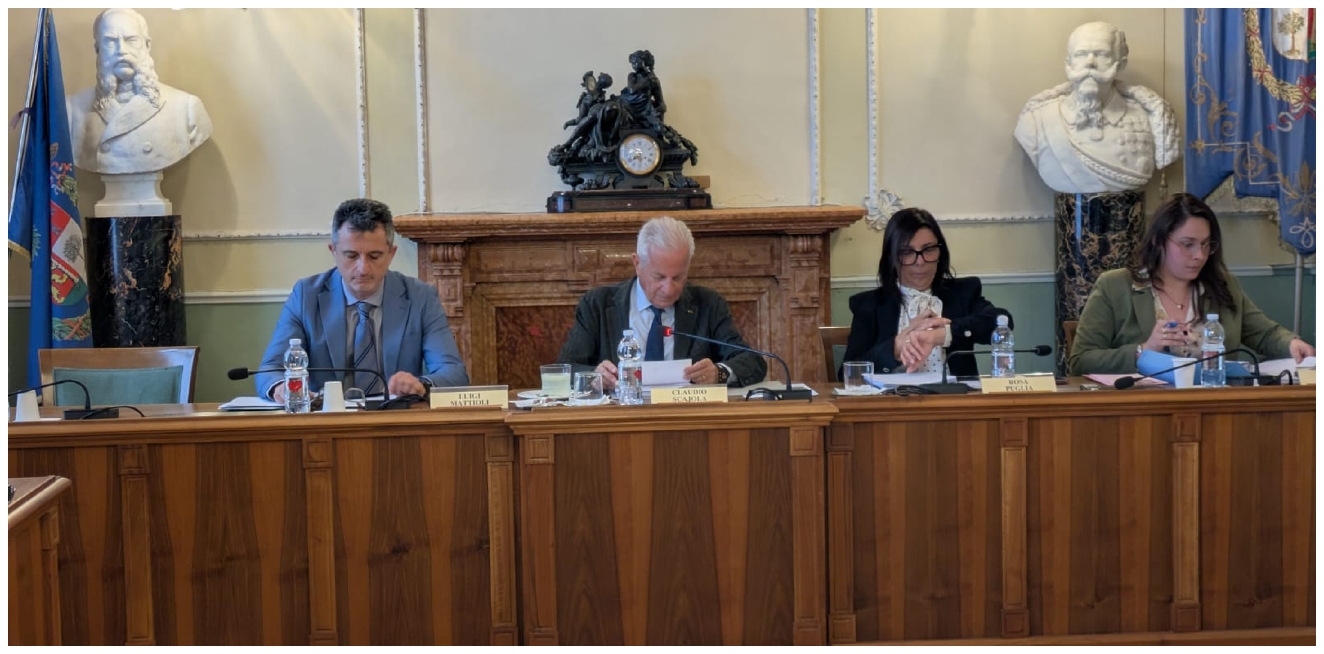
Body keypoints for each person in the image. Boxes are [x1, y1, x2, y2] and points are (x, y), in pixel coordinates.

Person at [1068, 193, 1315, 374]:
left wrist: (1292, 344)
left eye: (1206, 244)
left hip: (1216, 408)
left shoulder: (1221, 285)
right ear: (1158, 241)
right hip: (1140, 413)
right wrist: (1144, 350)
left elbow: (1265, 334)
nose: (1200, 255)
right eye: (1188, 245)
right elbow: (1081, 360)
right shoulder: (1115, 286)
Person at [256, 199, 468, 401]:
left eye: (374, 256)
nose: (363, 269)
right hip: (326, 418)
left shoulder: (421, 297)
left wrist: (422, 385)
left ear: (391, 254)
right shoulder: (306, 295)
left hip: (395, 416)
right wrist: (281, 388)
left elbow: (453, 372)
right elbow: (270, 370)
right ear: (333, 251)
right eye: (351, 256)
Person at [558, 216, 767, 391]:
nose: (669, 289)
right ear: (637, 263)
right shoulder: (598, 305)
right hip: (620, 416)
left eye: (678, 277)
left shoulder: (708, 304)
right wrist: (595, 376)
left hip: (686, 417)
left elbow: (752, 362)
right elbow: (565, 369)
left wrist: (719, 373)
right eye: (659, 277)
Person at [1014, 21, 1179, 194]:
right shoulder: (1038, 120)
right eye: (1081, 54)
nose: (1090, 62)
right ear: (1069, 63)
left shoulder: (1148, 117)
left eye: (1102, 54)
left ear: (1120, 64)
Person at [843, 208, 1011, 376]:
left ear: (940, 252)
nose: (920, 262)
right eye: (907, 252)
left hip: (955, 393)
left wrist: (942, 335)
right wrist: (895, 348)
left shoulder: (962, 292)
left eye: (929, 249)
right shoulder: (869, 305)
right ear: (892, 258)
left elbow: (1002, 321)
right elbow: (848, 374)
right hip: (893, 393)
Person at [66, 8, 213, 175]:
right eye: (110, 41)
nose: (121, 50)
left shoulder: (186, 110)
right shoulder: (73, 111)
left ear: (147, 45)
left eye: (131, 40)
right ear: (97, 48)